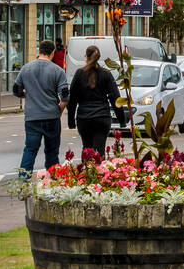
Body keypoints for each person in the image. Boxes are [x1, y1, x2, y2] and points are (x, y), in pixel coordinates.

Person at [13, 39, 70, 178]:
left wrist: (27, 94)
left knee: (30, 151)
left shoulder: (26, 68)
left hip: (32, 118)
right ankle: (53, 182)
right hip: (51, 117)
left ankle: (22, 184)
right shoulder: (57, 70)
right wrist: (59, 110)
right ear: (53, 52)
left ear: (39, 51)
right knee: (52, 153)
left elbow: (16, 90)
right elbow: (65, 96)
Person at [67, 44, 126, 156]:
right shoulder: (106, 74)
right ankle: (98, 171)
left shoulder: (79, 74)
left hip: (84, 118)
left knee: (86, 149)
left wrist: (71, 121)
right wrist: (121, 119)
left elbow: (73, 98)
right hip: (102, 117)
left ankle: (86, 171)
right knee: (99, 150)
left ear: (86, 57)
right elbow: (115, 97)